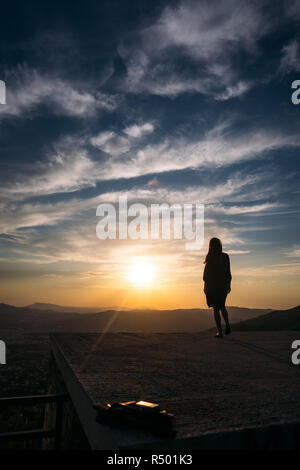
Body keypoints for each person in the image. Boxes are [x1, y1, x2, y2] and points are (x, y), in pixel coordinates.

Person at [203, 238, 232, 338]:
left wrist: (205, 287)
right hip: (223, 285)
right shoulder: (225, 256)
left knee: (216, 309)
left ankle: (220, 332)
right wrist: (229, 284)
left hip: (212, 286)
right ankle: (227, 325)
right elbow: (228, 272)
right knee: (222, 306)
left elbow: (206, 275)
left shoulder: (210, 257)